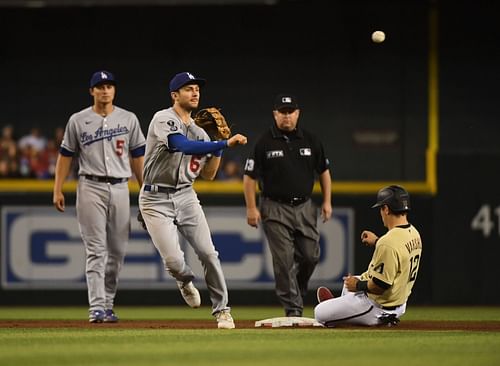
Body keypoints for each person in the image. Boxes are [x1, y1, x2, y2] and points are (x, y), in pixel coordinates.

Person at [138, 71, 247, 329]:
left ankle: (223, 310)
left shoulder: (201, 133)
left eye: (197, 88)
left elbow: (208, 175)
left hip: (186, 195)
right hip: (154, 198)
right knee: (175, 262)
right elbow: (180, 145)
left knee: (209, 253)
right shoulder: (163, 118)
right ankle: (184, 280)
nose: (195, 92)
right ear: (175, 95)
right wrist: (223, 142)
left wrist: (218, 146)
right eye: (188, 89)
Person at [53, 70, 146, 323]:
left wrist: (145, 190)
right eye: (100, 86)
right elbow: (65, 155)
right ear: (91, 91)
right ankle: (96, 307)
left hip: (120, 187)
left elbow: (138, 157)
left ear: (114, 90)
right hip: (90, 186)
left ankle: (107, 303)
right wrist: (57, 188)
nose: (105, 90)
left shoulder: (128, 119)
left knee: (117, 251)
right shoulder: (78, 120)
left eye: (109, 86)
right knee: (96, 250)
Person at [243, 93, 332, 317]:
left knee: (311, 256)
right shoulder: (264, 142)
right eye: (282, 112)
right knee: (283, 261)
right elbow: (249, 177)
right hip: (274, 207)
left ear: (297, 113)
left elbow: (324, 172)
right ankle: (293, 308)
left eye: (290, 112)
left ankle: (298, 291)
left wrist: (328, 201)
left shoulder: (311, 140)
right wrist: (251, 208)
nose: (287, 116)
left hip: (304, 207)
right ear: (275, 115)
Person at [314, 185, 422, 327]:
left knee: (320, 313)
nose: (381, 213)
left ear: (386, 209)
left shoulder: (388, 242)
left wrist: (358, 285)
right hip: (399, 303)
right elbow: (398, 252)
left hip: (377, 308)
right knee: (349, 284)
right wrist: (377, 241)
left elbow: (380, 286)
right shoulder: (414, 233)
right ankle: (341, 310)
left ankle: (339, 317)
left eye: (381, 208)